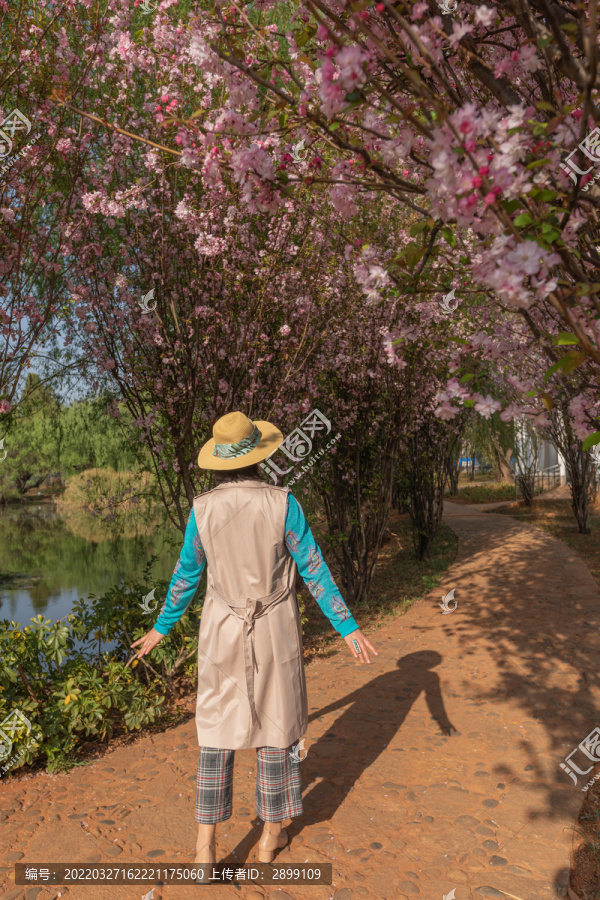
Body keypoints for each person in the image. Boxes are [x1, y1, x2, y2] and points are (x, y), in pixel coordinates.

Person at [132, 411, 378, 865]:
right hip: (274, 628)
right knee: (277, 730)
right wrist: (347, 626)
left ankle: (204, 850)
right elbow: (313, 567)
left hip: (221, 630)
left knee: (215, 732)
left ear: (218, 461)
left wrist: (161, 626)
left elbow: (186, 575)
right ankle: (269, 841)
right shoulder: (284, 503)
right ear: (258, 455)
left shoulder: (201, 509)